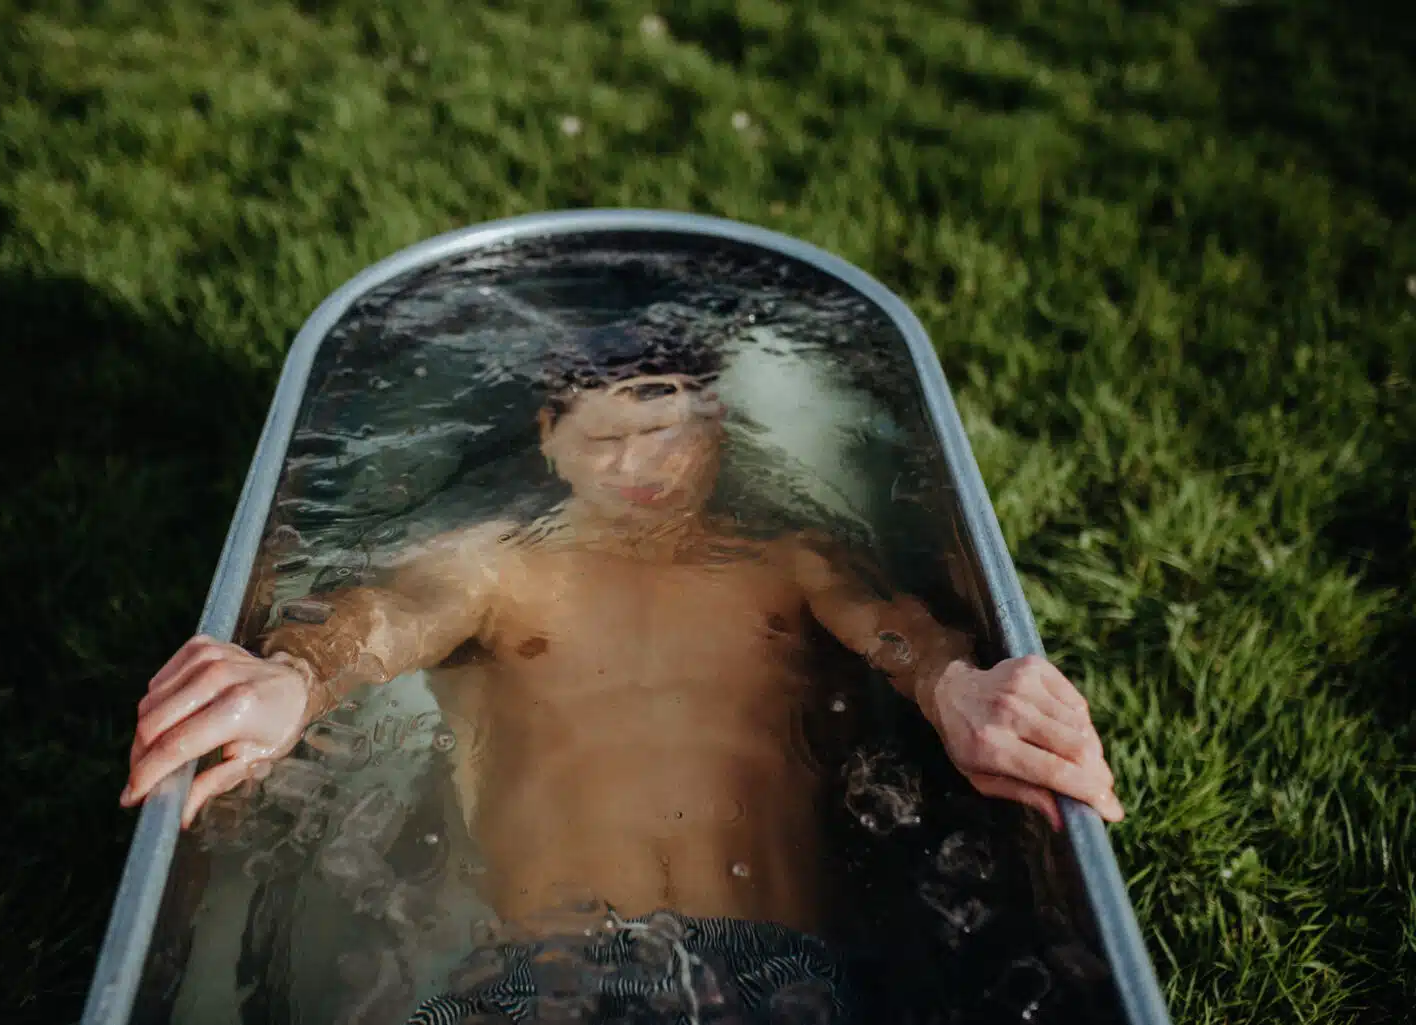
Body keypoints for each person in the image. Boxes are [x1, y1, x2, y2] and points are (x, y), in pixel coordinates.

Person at [121, 324, 1123, 1024]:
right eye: (604, 438)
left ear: (718, 429)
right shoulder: (502, 568)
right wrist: (294, 677)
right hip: (540, 977)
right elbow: (385, 613)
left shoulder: (789, 561)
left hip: (780, 977)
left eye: (670, 430)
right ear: (549, 442)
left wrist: (961, 690)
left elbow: (900, 631)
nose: (641, 465)